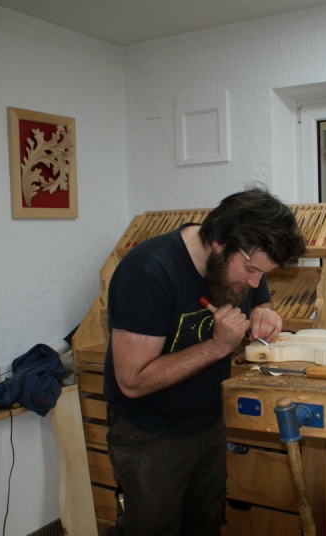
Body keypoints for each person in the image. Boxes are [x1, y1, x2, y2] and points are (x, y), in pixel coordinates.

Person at [102, 186, 305, 535]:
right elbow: (132, 381)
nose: (256, 281)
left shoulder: (242, 261)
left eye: (263, 273)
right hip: (150, 434)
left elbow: (260, 298)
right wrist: (217, 346)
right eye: (251, 269)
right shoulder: (147, 272)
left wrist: (265, 313)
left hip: (209, 424)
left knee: (205, 526)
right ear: (219, 242)